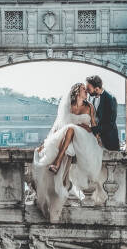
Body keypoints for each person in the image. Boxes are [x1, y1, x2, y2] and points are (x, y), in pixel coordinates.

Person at [32, 82, 104, 222]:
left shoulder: (89, 106)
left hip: (85, 136)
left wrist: (96, 137)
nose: (86, 92)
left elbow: (93, 126)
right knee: (69, 133)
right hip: (70, 139)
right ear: (77, 92)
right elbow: (58, 126)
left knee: (71, 128)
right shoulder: (68, 107)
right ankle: (59, 170)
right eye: (84, 90)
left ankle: (57, 162)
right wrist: (45, 142)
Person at [85, 75, 121, 151]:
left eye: (88, 88)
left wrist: (92, 129)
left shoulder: (110, 99)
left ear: (96, 88)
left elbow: (110, 124)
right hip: (94, 141)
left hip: (109, 140)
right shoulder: (89, 97)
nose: (86, 90)